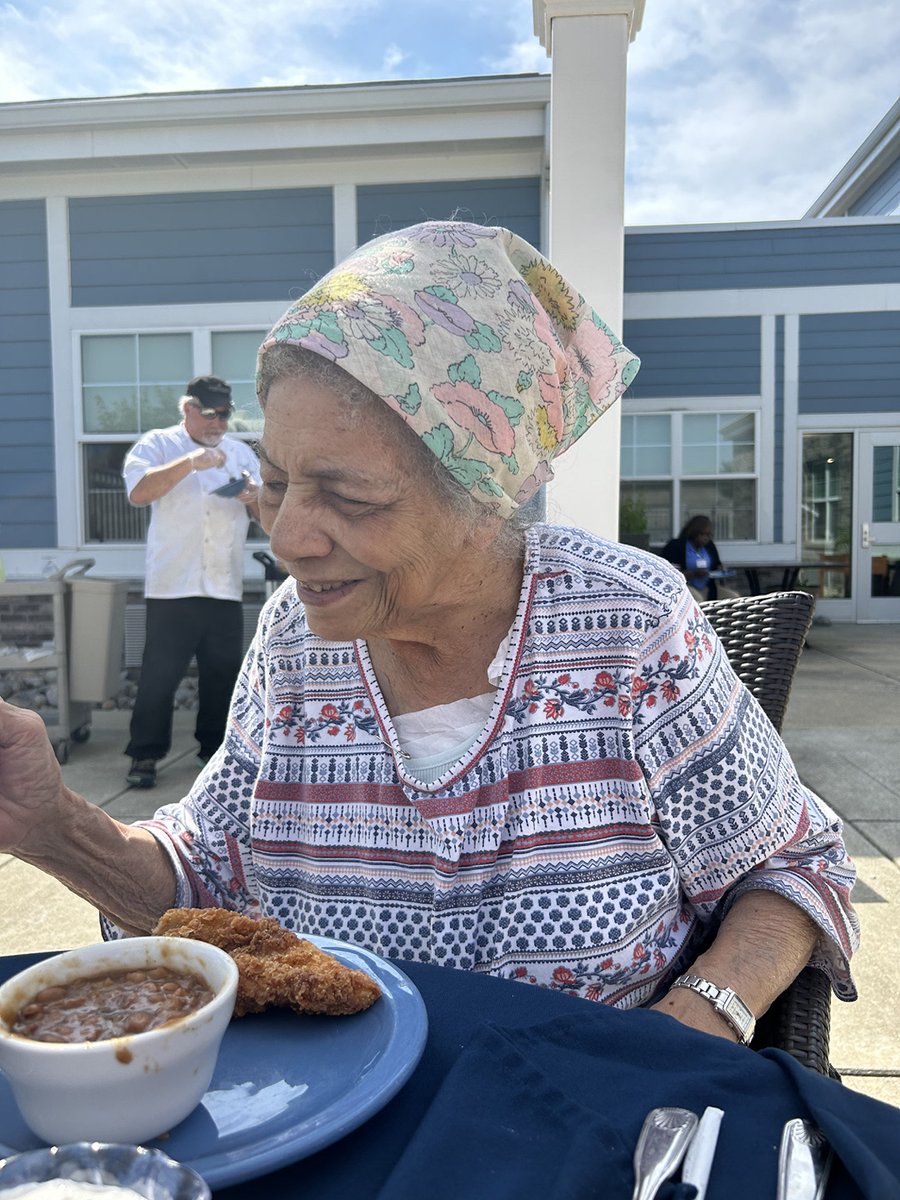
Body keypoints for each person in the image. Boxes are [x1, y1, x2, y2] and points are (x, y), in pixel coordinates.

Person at [0, 222, 858, 1047]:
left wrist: (699, 1021)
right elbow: (203, 885)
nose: (289, 536)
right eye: (276, 480)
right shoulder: (297, 638)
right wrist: (54, 828)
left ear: (490, 502)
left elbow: (792, 865)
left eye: (351, 496)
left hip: (577, 1116)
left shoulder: (623, 625)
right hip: (337, 1118)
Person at [122, 376, 261, 789]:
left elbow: (263, 515)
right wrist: (190, 463)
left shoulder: (240, 454)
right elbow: (138, 492)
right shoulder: (158, 444)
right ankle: (144, 754)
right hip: (172, 585)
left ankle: (214, 753)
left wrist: (254, 497)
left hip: (224, 583)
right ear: (188, 409)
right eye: (210, 413)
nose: (218, 422)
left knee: (222, 673)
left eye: (225, 414)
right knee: (159, 675)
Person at [660, 515, 741, 603]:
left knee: (734, 597)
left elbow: (716, 565)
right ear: (694, 532)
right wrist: (692, 574)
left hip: (708, 586)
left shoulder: (709, 546)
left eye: (708, 535)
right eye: (702, 534)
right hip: (685, 587)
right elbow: (668, 571)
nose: (705, 538)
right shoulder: (676, 546)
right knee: (698, 600)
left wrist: (721, 569)